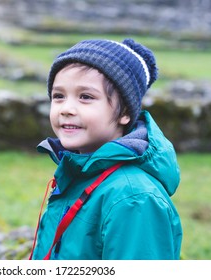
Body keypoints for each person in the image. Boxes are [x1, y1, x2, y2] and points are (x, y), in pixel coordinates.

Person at [29, 38, 182, 260]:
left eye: (86, 97)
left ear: (124, 113)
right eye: (58, 96)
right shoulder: (79, 172)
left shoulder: (133, 198)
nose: (66, 109)